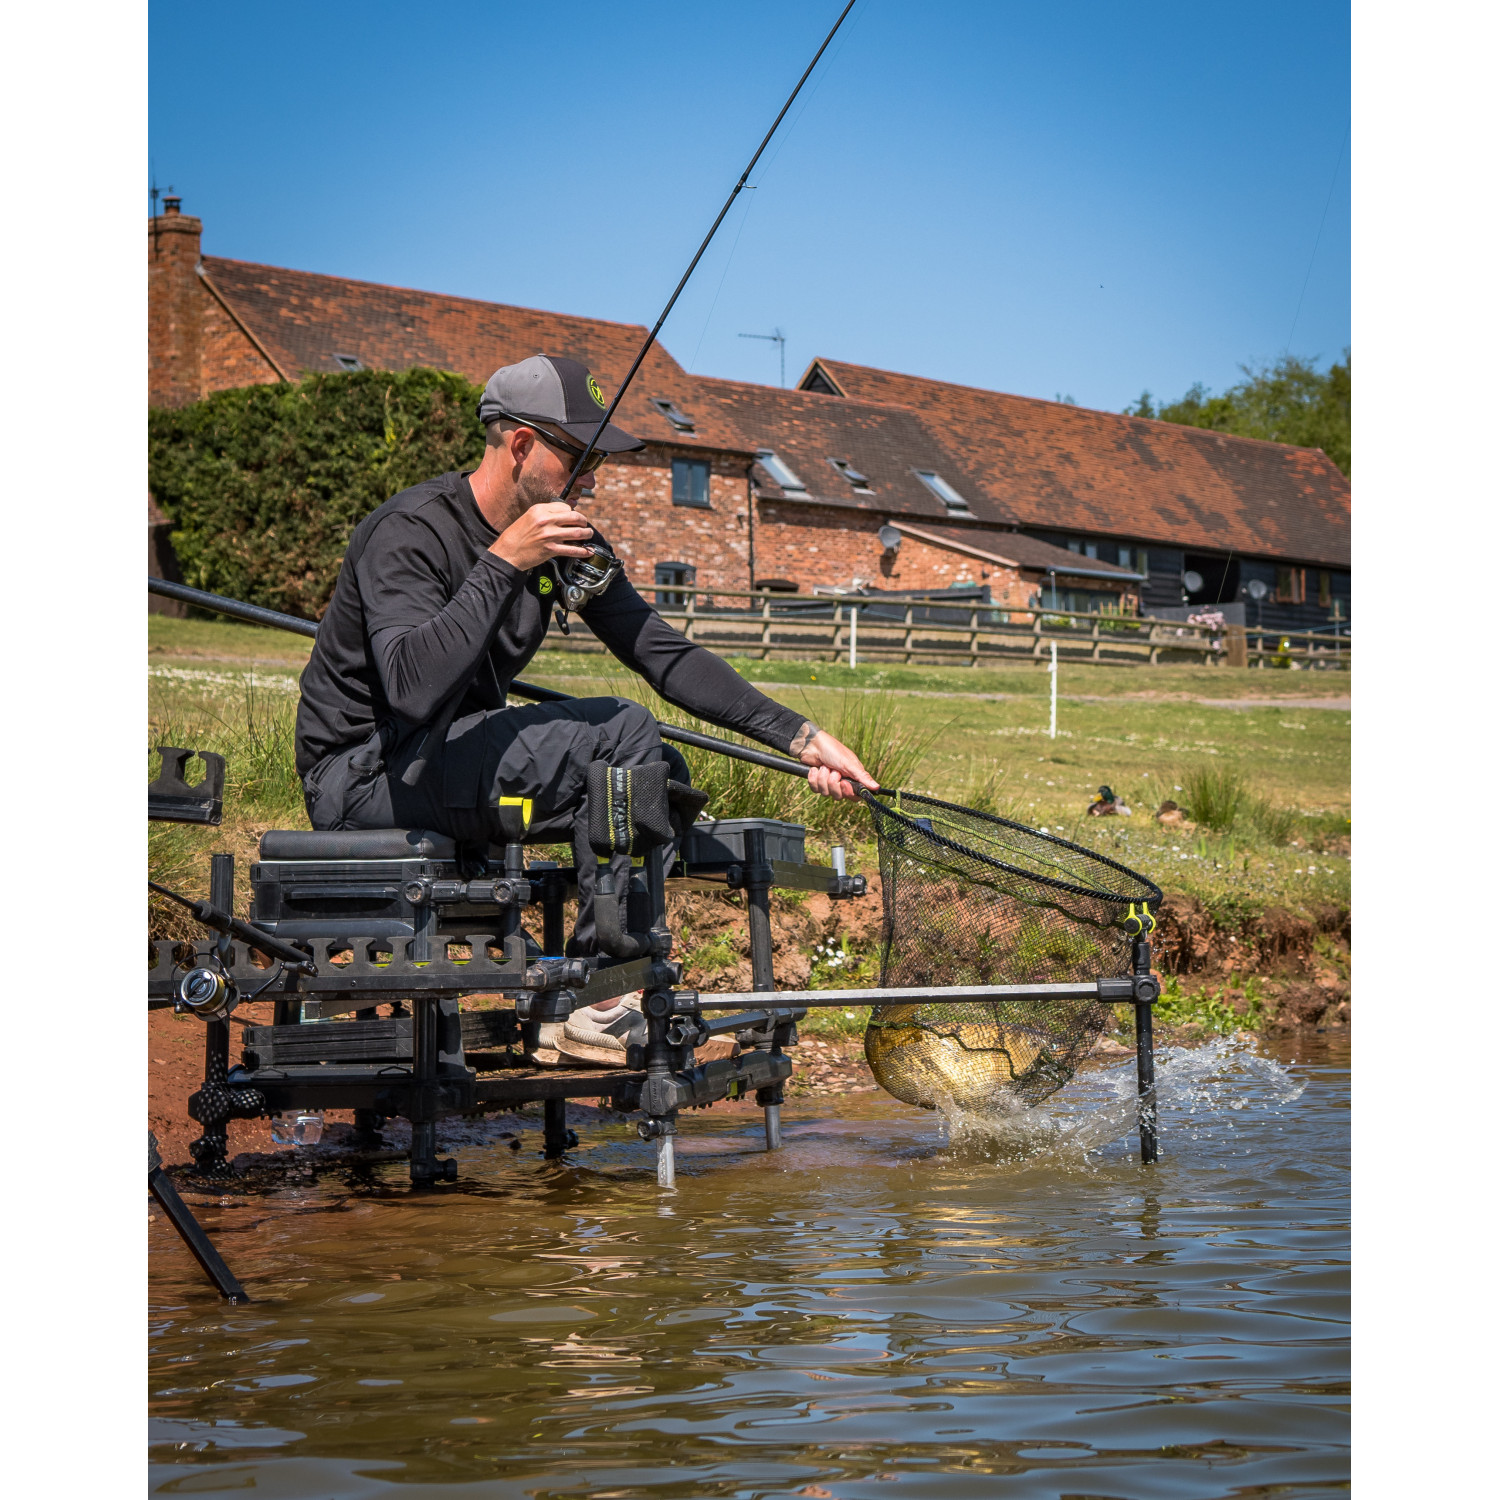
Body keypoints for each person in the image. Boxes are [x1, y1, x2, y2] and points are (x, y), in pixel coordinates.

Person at [294, 354, 876, 1016]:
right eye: (581, 458)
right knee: (622, 731)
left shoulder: (567, 544)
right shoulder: (411, 531)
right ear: (521, 444)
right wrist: (505, 561)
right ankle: (599, 996)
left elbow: (660, 651)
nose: (593, 479)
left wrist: (801, 737)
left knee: (656, 769)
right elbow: (410, 689)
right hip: (365, 777)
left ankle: (603, 975)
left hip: (443, 765)